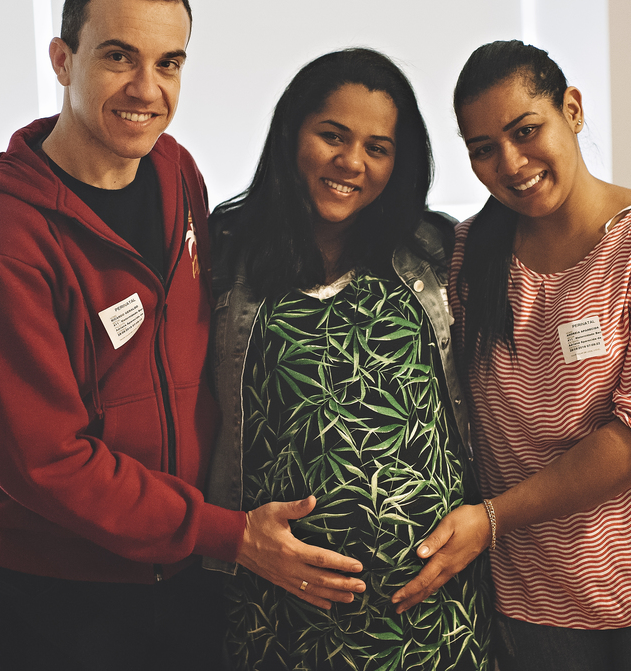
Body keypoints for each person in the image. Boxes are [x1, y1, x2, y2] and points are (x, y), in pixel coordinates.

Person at [0, 0, 364, 671]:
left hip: (188, 572)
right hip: (65, 597)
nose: (147, 89)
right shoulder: (3, 244)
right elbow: (49, 461)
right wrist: (227, 533)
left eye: (169, 63)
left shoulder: (175, 171)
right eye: (118, 57)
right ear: (63, 60)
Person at [391, 40, 631, 670]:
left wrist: (492, 519)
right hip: (537, 597)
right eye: (482, 149)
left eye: (527, 131)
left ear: (573, 110)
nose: (511, 162)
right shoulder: (466, 257)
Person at [204, 48, 493, 670]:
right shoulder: (225, 255)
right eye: (332, 136)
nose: (351, 163)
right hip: (280, 609)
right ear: (291, 134)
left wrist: (488, 519)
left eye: (377, 147)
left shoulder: (437, 252)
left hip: (433, 612)